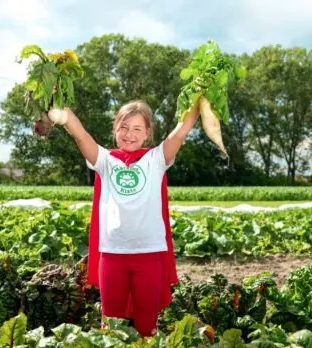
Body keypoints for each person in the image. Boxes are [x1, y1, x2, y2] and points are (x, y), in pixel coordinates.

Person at [46, 100, 200, 336]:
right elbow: (81, 135)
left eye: (137, 128)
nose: (130, 134)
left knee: (147, 328)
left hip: (149, 255)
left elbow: (179, 133)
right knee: (110, 327)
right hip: (112, 256)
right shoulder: (106, 160)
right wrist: (62, 111)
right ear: (115, 129)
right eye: (124, 127)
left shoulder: (156, 160)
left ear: (147, 133)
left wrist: (199, 102)